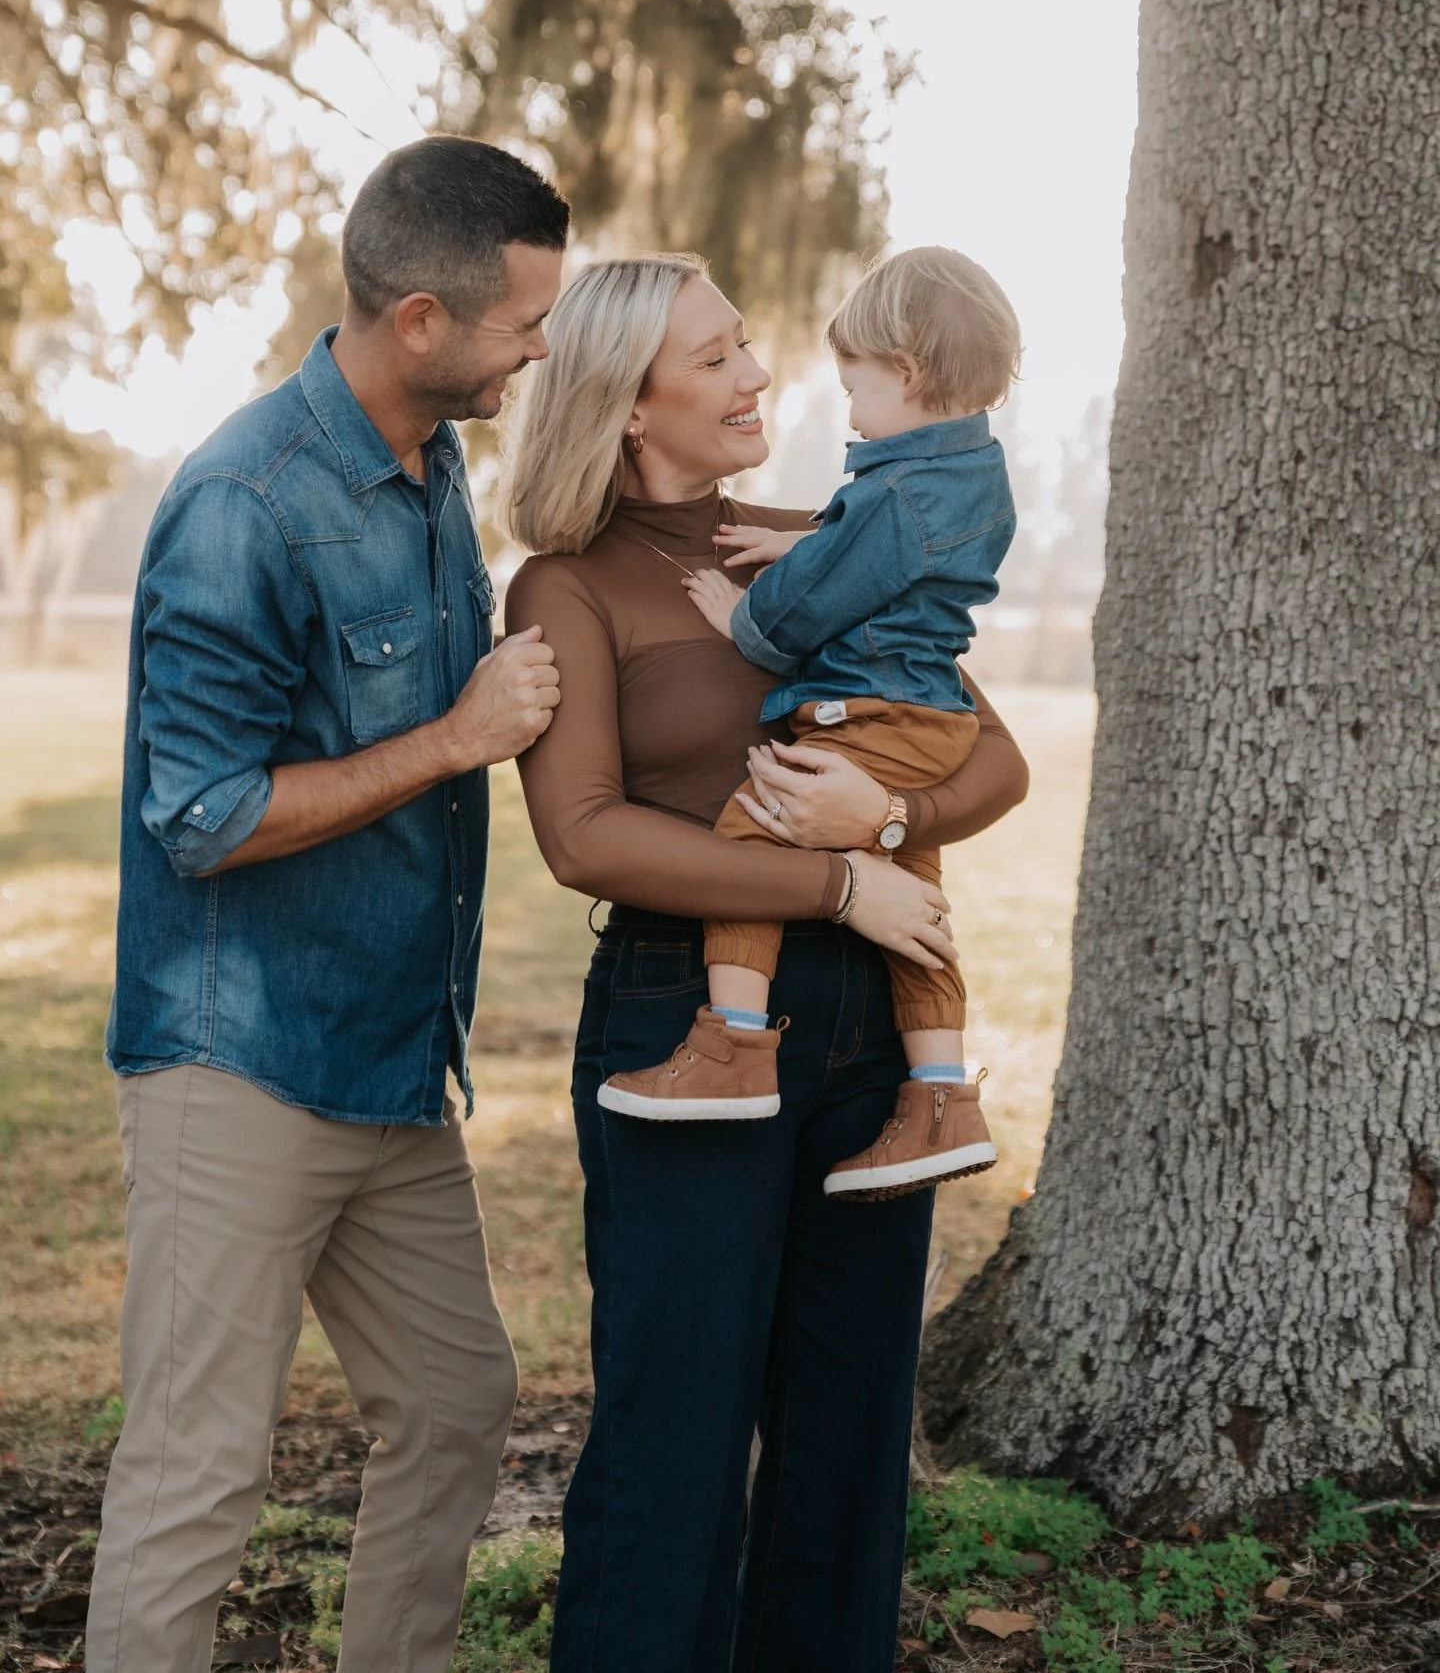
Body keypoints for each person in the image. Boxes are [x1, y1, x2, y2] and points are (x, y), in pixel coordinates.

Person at [501, 252, 1030, 1672]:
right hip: (687, 1018)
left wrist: (894, 817)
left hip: (871, 1034)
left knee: (848, 1436)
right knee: (674, 1432)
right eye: (720, 357)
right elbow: (585, 835)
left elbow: (998, 759)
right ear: (627, 403)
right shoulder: (567, 585)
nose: (760, 375)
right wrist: (837, 877)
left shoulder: (844, 538)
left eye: (751, 345)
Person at [87, 136, 568, 1673]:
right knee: (195, 1473)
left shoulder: (432, 469)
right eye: (521, 325)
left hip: (387, 1065)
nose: (537, 352)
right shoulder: (247, 498)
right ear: (420, 318)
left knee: (454, 1397)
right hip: (237, 1063)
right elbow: (203, 814)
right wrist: (454, 738)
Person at [599, 246, 1018, 1202]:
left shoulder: (895, 493)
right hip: (925, 714)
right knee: (919, 918)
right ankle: (944, 1095)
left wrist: (737, 614)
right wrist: (810, 539)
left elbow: (792, 614)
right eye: (716, 358)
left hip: (866, 714)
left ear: (906, 374)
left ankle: (734, 1047)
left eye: (855, 386)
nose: (846, 407)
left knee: (757, 826)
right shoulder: (963, 473)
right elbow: (883, 544)